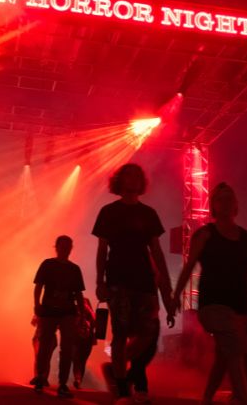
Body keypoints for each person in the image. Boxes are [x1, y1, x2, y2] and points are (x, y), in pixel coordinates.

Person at [173, 182, 247, 405]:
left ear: (236, 205)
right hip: (213, 305)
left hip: (240, 307)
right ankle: (245, 399)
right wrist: (175, 296)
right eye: (220, 198)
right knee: (235, 348)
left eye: (229, 197)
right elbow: (189, 265)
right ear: (213, 206)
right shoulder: (204, 234)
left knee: (226, 355)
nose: (226, 201)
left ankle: (208, 398)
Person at [92, 163, 177, 404]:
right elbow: (102, 249)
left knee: (149, 333)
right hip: (118, 279)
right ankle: (122, 390)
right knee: (120, 334)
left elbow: (157, 251)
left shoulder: (149, 214)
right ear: (119, 181)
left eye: (138, 175)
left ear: (142, 183)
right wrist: (100, 281)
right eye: (128, 174)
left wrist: (167, 291)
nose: (133, 178)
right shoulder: (108, 211)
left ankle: (120, 373)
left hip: (146, 280)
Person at [32, 235, 86, 399]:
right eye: (63, 246)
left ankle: (60, 382)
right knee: (46, 345)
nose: (66, 249)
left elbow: (78, 294)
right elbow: (38, 287)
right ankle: (42, 377)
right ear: (57, 247)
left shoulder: (73, 269)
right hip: (51, 310)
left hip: (65, 311)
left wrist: (82, 315)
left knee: (64, 347)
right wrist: (37, 305)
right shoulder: (49, 265)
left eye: (68, 247)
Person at [72, 296, 97, 390]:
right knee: (77, 358)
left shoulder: (89, 313)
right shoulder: (74, 310)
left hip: (87, 338)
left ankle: (78, 380)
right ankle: (77, 379)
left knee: (81, 360)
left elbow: (95, 323)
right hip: (76, 337)